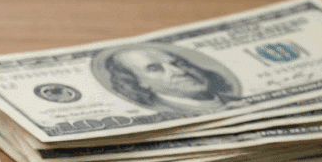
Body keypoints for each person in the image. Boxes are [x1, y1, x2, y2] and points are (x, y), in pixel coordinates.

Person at [102, 46, 238, 115]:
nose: (180, 71)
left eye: (177, 64)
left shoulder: (234, 100)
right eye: (155, 69)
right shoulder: (160, 111)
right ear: (138, 82)